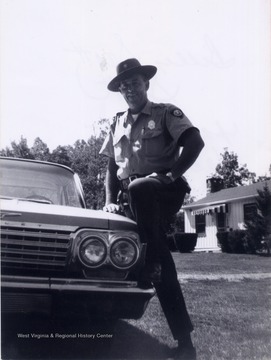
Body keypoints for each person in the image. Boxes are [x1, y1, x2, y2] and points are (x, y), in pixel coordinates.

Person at [100, 58, 204, 360]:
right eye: (124, 86)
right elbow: (110, 165)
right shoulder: (116, 122)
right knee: (144, 256)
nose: (129, 89)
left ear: (146, 84)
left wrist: (171, 175)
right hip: (131, 199)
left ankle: (149, 262)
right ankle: (184, 345)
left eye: (134, 83)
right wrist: (108, 198)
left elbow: (195, 142)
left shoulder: (165, 113)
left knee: (141, 187)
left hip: (162, 190)